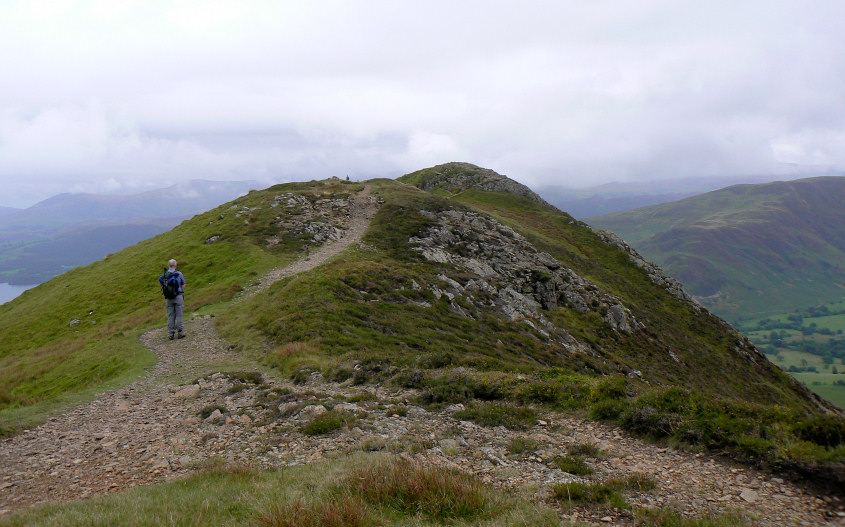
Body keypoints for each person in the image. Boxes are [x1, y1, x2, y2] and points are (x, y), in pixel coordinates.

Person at [159, 259, 186, 340]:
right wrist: (180, 291)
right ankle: (180, 333)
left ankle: (171, 334)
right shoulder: (179, 274)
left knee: (171, 316)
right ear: (176, 265)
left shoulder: (164, 275)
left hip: (168, 298)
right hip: (178, 296)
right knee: (179, 315)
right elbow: (183, 284)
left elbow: (162, 284)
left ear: (168, 265)